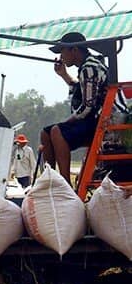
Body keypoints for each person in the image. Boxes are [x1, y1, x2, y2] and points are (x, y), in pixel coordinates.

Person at [40, 32, 115, 185]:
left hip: (101, 120)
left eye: (63, 51)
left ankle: (65, 184)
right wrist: (64, 75)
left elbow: (88, 106)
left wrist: (69, 120)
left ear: (74, 50)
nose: (61, 56)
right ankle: (51, 180)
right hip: (93, 119)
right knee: (45, 133)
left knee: (56, 131)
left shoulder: (89, 68)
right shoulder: (87, 67)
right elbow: (80, 89)